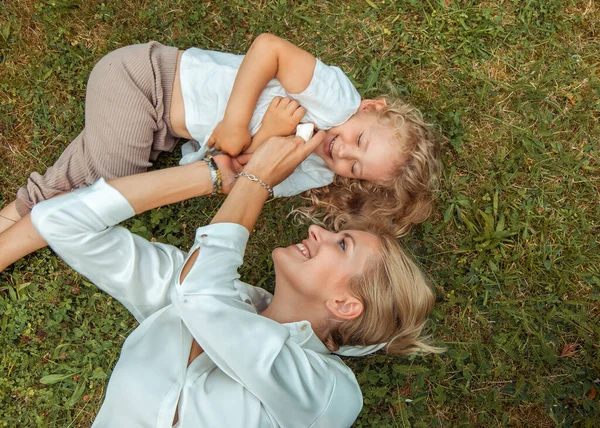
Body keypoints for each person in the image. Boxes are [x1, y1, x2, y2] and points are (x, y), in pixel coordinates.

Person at [29, 132, 440, 427]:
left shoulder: (330, 393)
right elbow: (60, 221)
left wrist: (255, 182)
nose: (319, 231)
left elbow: (200, 296)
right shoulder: (197, 288)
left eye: (342, 244)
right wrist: (209, 176)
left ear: (346, 305)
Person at [0, 33, 439, 270]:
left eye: (354, 168)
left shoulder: (316, 172)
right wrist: (236, 119)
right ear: (371, 108)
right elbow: (270, 47)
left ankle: (14, 222)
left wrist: (268, 132)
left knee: (85, 183)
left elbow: (243, 174)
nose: (341, 151)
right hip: (147, 79)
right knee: (96, 186)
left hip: (162, 131)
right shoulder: (337, 99)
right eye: (358, 139)